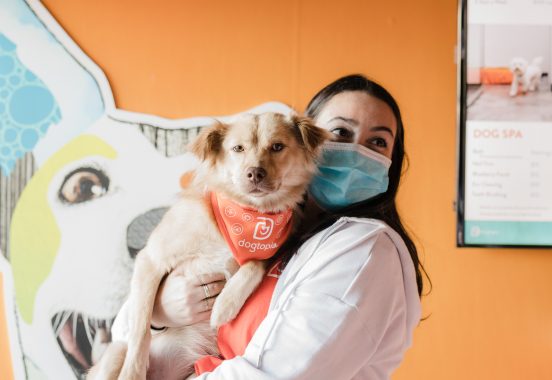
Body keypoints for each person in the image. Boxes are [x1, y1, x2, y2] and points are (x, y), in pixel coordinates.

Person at [116, 74, 427, 379]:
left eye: (378, 141)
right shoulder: (271, 231)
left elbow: (278, 373)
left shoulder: (363, 250)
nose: (357, 152)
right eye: (341, 133)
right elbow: (121, 332)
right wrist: (160, 313)